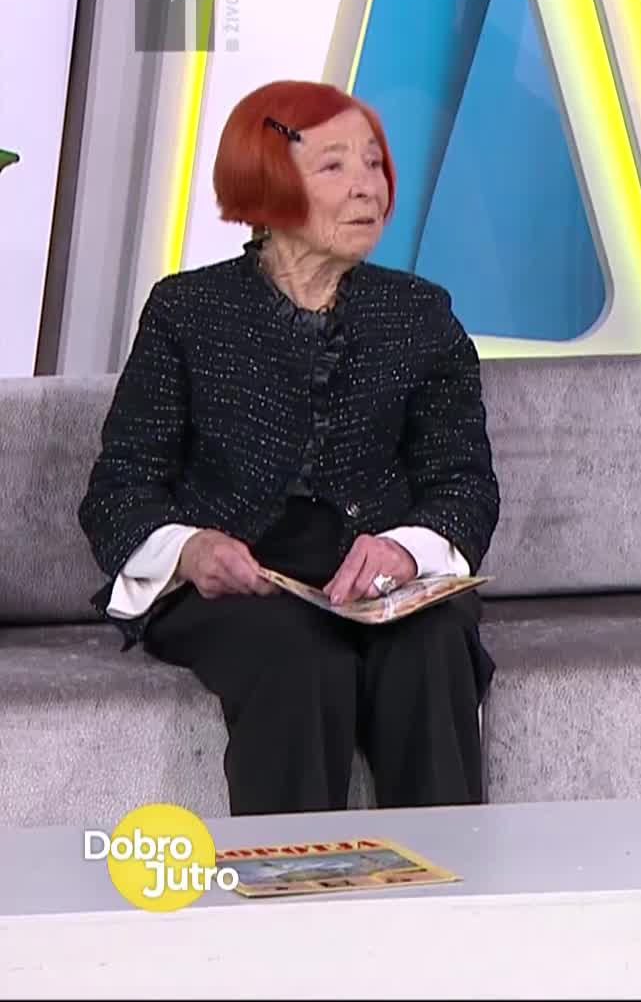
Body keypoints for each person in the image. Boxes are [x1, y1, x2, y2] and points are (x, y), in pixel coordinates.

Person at [78, 80, 500, 816]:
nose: (367, 187)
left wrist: (405, 550)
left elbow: (464, 483)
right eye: (335, 165)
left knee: (432, 647)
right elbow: (121, 490)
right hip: (237, 583)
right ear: (266, 181)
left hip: (376, 579)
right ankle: (292, 884)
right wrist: (191, 550)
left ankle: (448, 881)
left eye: (374, 163)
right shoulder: (188, 310)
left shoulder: (419, 313)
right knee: (300, 658)